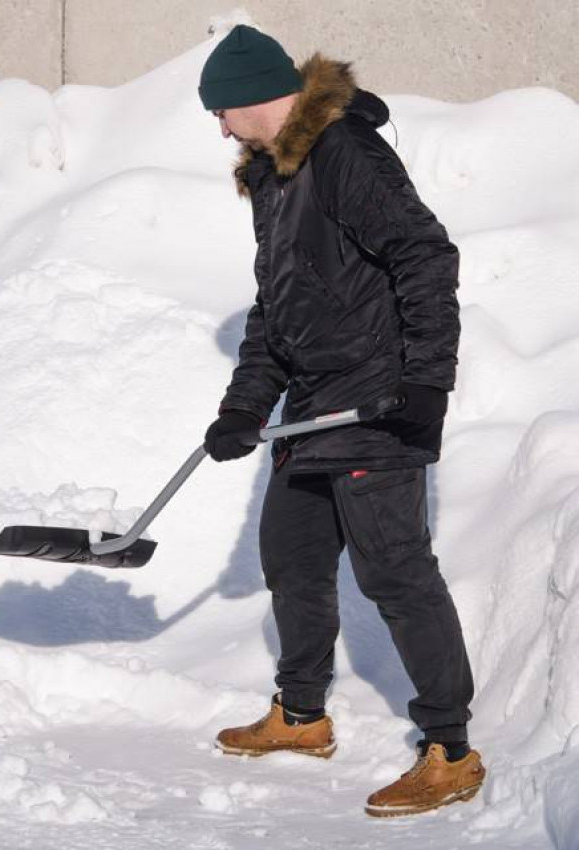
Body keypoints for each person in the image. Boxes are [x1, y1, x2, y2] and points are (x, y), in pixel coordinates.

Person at [198, 25, 486, 818]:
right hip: (312, 410)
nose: (219, 127)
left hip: (378, 400)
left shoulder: (344, 154)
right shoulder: (274, 179)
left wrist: (428, 379)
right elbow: (279, 308)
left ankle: (451, 751)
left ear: (255, 96)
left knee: (395, 571)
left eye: (220, 111)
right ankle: (301, 715)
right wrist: (244, 405)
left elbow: (426, 255)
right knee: (289, 557)